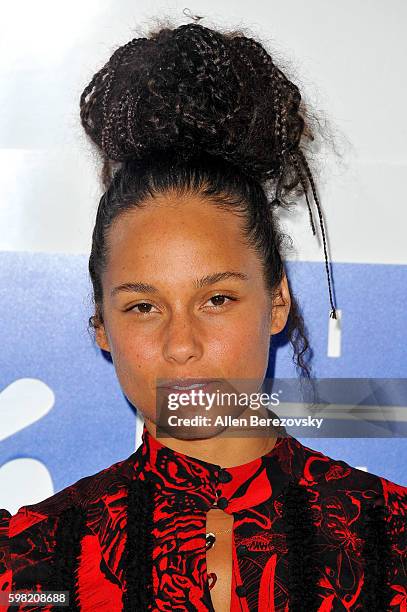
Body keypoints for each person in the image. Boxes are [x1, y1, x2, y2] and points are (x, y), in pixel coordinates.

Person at [1, 20, 406, 612]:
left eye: (217, 299)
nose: (182, 344)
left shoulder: (391, 540)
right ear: (101, 327)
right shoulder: (33, 570)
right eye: (143, 306)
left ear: (276, 302)